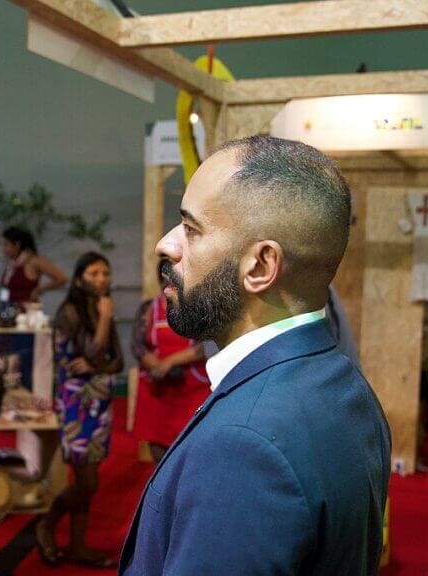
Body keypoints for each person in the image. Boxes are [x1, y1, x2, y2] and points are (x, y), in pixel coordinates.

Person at [119, 135, 391, 575]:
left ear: (261, 266)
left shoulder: (243, 446)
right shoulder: (347, 387)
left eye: (191, 228)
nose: (165, 245)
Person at [35, 252, 123, 568]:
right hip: (77, 402)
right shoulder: (70, 311)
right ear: (78, 279)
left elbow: (117, 361)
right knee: (87, 481)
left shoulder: (102, 308)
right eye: (94, 273)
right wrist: (105, 319)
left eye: (105, 273)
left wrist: (95, 364)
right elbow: (90, 352)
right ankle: (46, 523)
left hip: (100, 401)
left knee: (88, 478)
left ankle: (77, 545)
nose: (101, 279)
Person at [131, 261, 209, 462]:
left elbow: (205, 346)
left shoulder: (198, 307)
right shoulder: (149, 308)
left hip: (191, 388)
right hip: (157, 389)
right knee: (157, 445)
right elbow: (137, 345)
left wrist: (170, 362)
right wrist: (155, 365)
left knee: (191, 446)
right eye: (166, 278)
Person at [0, 226, 68, 309]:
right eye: (2, 245)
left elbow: (62, 278)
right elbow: (5, 287)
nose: (3, 249)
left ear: (17, 245)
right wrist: (3, 305)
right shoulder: (11, 263)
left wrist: (39, 289)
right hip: (8, 309)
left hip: (27, 309)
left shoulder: (33, 261)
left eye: (6, 245)